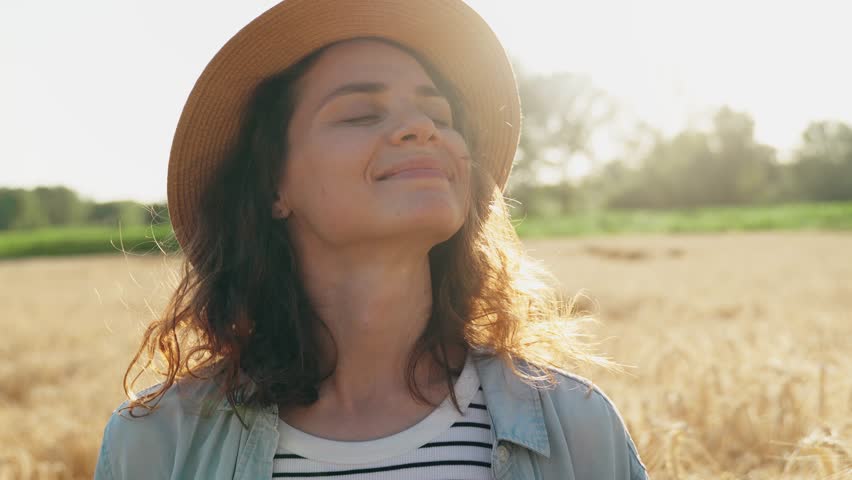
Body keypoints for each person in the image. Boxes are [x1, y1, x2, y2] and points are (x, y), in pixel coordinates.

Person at [94, 0, 648, 478]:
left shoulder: (578, 427)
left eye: (438, 113)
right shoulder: (156, 444)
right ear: (273, 187)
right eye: (359, 114)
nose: (423, 128)